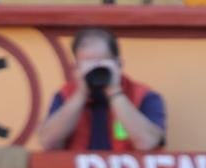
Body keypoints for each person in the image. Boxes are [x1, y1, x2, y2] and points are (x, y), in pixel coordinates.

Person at [36, 27, 166, 153]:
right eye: (88, 62)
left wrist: (115, 92)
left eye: (102, 61)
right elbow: (48, 142)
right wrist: (81, 93)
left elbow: (148, 143)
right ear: (76, 67)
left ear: (118, 64)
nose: (96, 69)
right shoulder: (65, 95)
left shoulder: (144, 96)